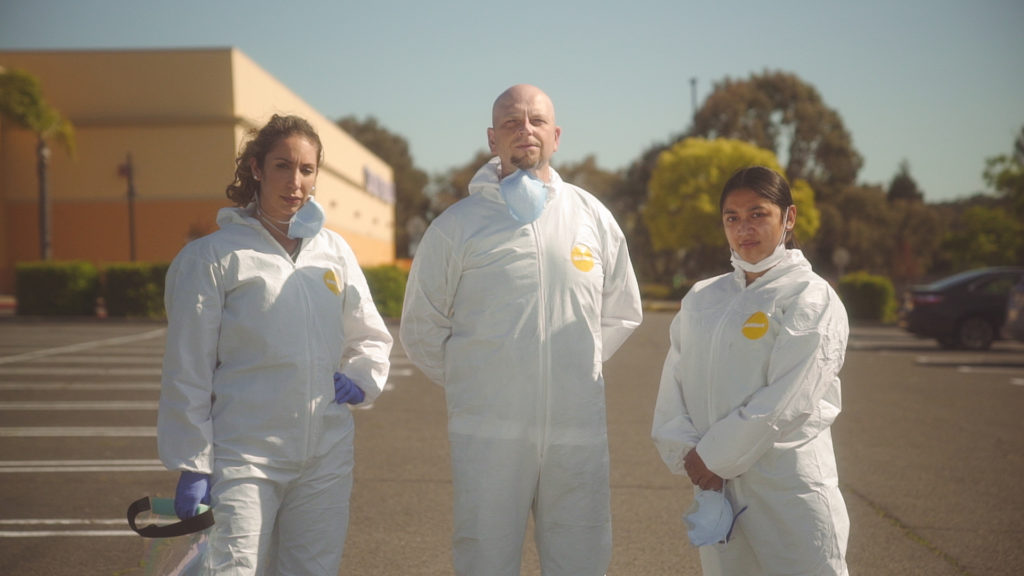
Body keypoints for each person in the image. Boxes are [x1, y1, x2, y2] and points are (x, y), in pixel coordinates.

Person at [399, 84, 642, 576]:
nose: (524, 130)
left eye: (535, 121)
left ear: (556, 135)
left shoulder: (591, 217)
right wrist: (480, 382)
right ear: (493, 139)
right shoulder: (457, 227)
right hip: (488, 433)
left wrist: (576, 365)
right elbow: (421, 327)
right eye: (511, 122)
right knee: (485, 556)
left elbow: (621, 311)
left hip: (576, 429)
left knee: (582, 556)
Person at [157, 114, 392, 575]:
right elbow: (188, 368)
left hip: (324, 453)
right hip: (244, 456)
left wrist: (362, 379)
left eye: (307, 169)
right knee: (232, 570)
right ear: (257, 169)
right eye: (283, 166)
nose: (296, 182)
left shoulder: (334, 251)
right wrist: (193, 461)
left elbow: (370, 333)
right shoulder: (213, 258)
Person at [651, 165, 850, 575]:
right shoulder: (704, 297)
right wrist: (686, 451)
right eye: (732, 218)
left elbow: (790, 397)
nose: (745, 229)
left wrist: (713, 455)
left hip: (787, 488)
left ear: (788, 218)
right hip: (717, 488)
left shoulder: (810, 297)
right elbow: (675, 380)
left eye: (758, 214)